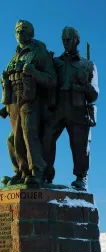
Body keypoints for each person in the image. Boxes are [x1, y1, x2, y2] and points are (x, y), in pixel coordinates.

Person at [1, 20, 57, 186]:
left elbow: (52, 79)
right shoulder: (15, 56)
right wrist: (5, 107)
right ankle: (20, 171)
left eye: (23, 30)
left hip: (32, 101)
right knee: (11, 140)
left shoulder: (39, 52)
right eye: (17, 31)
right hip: (13, 103)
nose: (19, 34)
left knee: (29, 134)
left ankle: (36, 172)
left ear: (31, 33)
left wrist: (34, 72)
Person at [43, 26, 99, 191]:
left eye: (69, 39)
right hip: (57, 106)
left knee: (79, 145)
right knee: (46, 138)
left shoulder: (88, 65)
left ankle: (81, 178)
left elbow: (94, 94)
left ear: (77, 41)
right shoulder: (54, 63)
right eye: (64, 39)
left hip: (77, 109)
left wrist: (85, 84)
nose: (66, 42)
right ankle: (45, 175)